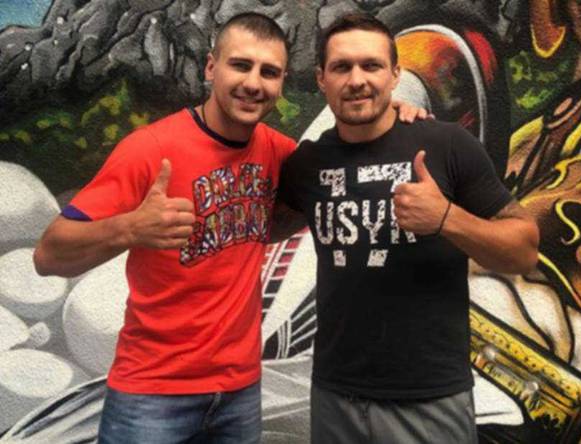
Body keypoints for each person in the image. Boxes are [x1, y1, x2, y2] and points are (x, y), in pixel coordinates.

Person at [33, 12, 427, 444]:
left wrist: (396, 113)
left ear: (280, 83)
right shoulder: (151, 149)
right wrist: (129, 229)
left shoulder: (278, 153)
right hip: (152, 395)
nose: (253, 83)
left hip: (240, 394)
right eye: (241, 65)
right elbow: (48, 256)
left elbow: (315, 187)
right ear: (211, 67)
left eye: (269, 72)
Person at [278, 13, 540, 444]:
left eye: (372, 65)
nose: (357, 80)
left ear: (395, 74)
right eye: (342, 67)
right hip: (334, 396)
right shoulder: (308, 163)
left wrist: (446, 218)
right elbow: (263, 227)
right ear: (321, 78)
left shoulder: (445, 144)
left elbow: (524, 249)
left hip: (428, 400)